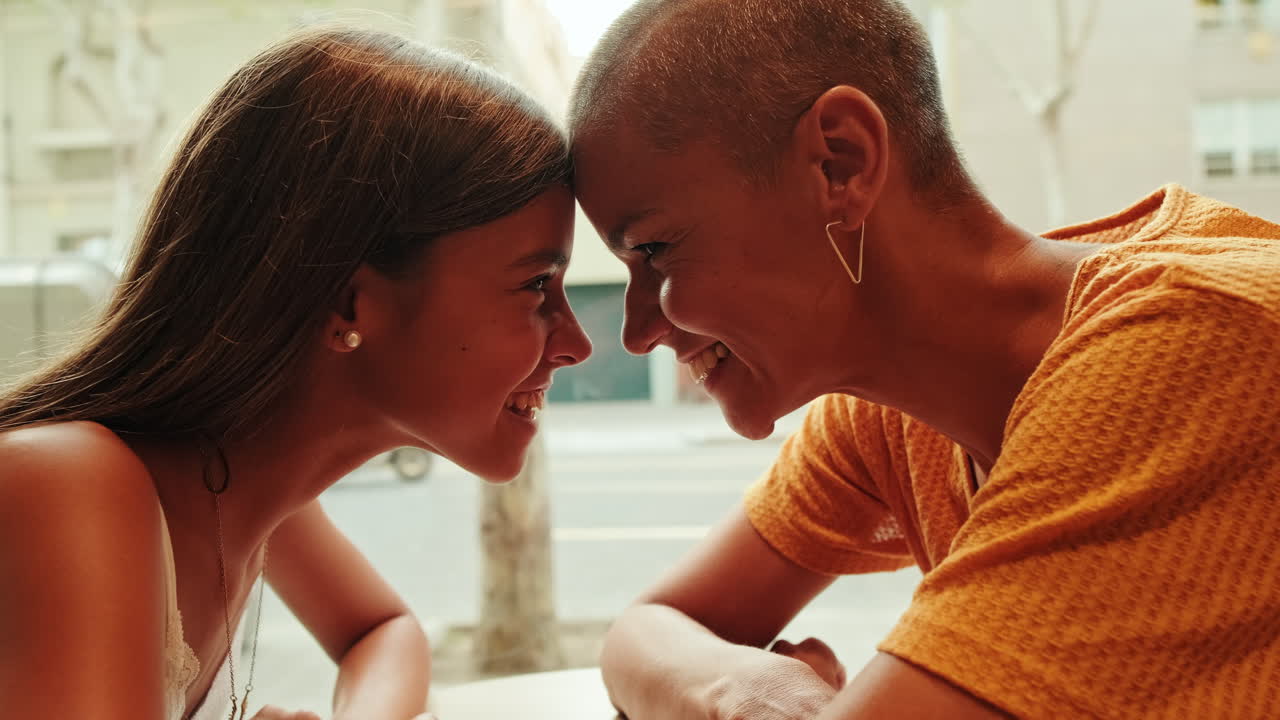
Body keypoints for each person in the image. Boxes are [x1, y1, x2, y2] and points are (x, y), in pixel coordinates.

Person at [568, 1, 1280, 718]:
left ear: (840, 163)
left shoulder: (1184, 350)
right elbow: (643, 631)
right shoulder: (888, 411)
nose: (634, 331)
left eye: (654, 250)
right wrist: (746, 693)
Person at [0, 26, 590, 720]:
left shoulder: (243, 487)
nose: (577, 342)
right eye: (536, 285)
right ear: (347, 301)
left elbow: (382, 631)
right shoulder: (68, 489)